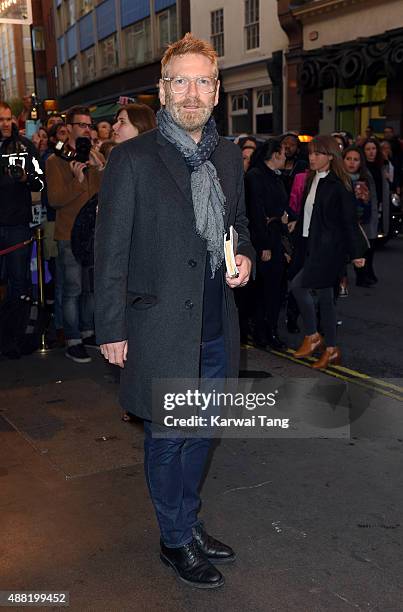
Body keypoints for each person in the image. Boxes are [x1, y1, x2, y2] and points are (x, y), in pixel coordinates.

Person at [95, 33, 254, 589]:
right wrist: (111, 327)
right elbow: (109, 250)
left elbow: (239, 228)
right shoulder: (132, 159)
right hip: (160, 327)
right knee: (170, 437)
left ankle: (187, 522)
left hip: (215, 328)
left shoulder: (228, 156)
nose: (192, 92)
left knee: (202, 434)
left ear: (217, 92)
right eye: (180, 81)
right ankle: (175, 540)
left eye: (202, 81)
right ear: (163, 91)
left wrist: (247, 260)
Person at [290, 135, 366, 369]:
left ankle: (313, 335)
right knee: (326, 300)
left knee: (297, 286)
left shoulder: (338, 185)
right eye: (310, 153)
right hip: (310, 246)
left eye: (317, 153)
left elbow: (349, 222)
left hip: (328, 251)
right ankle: (331, 349)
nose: (311, 157)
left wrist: (356, 253)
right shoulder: (313, 179)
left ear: (330, 156)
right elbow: (308, 215)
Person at [46, 106, 105, 363]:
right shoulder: (54, 160)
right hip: (68, 234)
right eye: (81, 124)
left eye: (89, 125)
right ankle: (73, 339)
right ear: (68, 127)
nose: (86, 129)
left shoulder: (93, 155)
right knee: (73, 289)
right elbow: (56, 199)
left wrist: (100, 169)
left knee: (91, 289)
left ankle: (88, 331)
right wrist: (76, 179)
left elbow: (103, 196)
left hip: (92, 234)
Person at [245, 139, 289, 349]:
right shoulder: (255, 177)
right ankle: (262, 333)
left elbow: (281, 207)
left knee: (274, 290)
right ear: (275, 155)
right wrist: (264, 246)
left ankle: (270, 331)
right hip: (264, 241)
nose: (286, 157)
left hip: (276, 238)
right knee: (263, 291)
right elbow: (255, 212)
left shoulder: (277, 178)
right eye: (283, 153)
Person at [0, 101, 44, 299]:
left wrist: (27, 178)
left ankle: (18, 325)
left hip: (17, 225)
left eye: (8, 119)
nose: (6, 124)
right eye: (0, 120)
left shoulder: (24, 146)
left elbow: (41, 181)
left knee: (19, 281)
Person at [342, 146, 377, 288]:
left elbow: (370, 202)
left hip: (361, 222)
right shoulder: (338, 179)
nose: (352, 163)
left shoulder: (365, 179)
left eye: (356, 160)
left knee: (363, 250)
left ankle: (362, 276)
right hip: (342, 223)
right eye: (348, 159)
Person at [362, 138, 390, 241]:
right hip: (367, 202)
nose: (371, 151)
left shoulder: (382, 165)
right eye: (368, 149)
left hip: (380, 200)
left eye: (373, 148)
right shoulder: (362, 167)